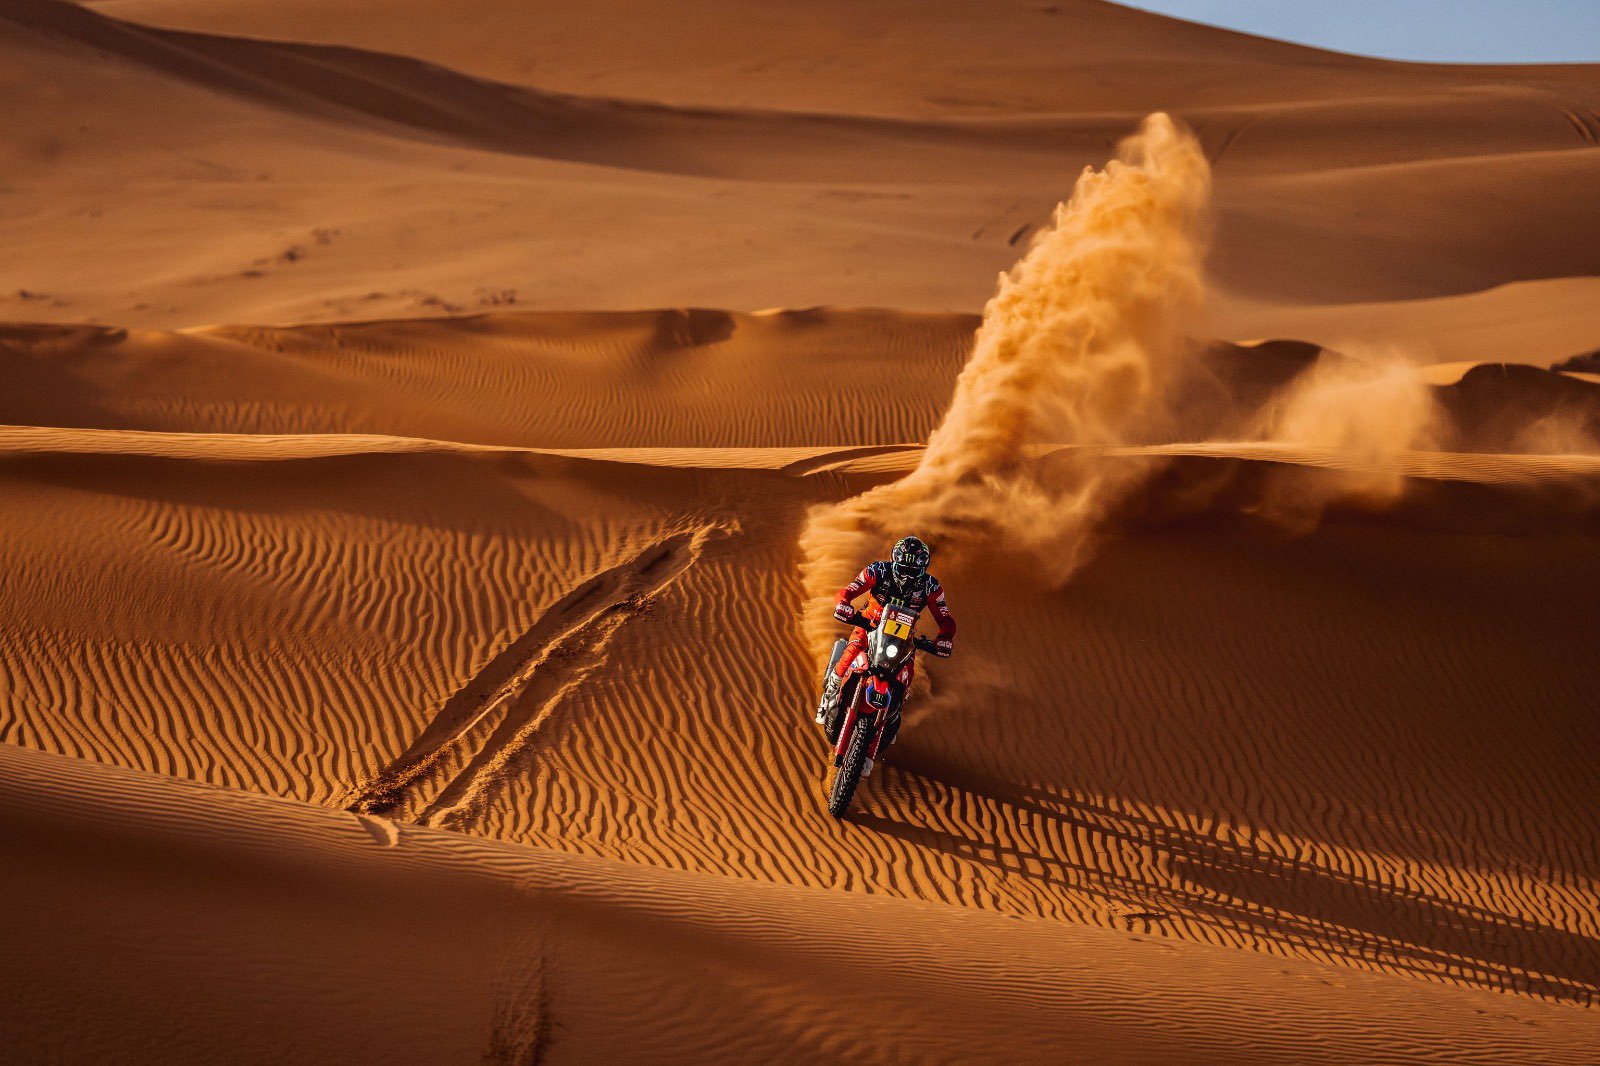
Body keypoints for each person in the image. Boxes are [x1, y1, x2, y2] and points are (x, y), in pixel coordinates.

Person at [815, 535, 955, 730]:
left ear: (923, 569)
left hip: (903, 638)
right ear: (894, 562)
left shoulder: (931, 587)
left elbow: (945, 618)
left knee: (907, 672)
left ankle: (893, 713)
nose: (907, 575)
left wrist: (944, 637)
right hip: (869, 624)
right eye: (903, 569)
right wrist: (843, 604)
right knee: (853, 649)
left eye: (913, 571)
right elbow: (849, 590)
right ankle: (830, 691)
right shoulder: (878, 571)